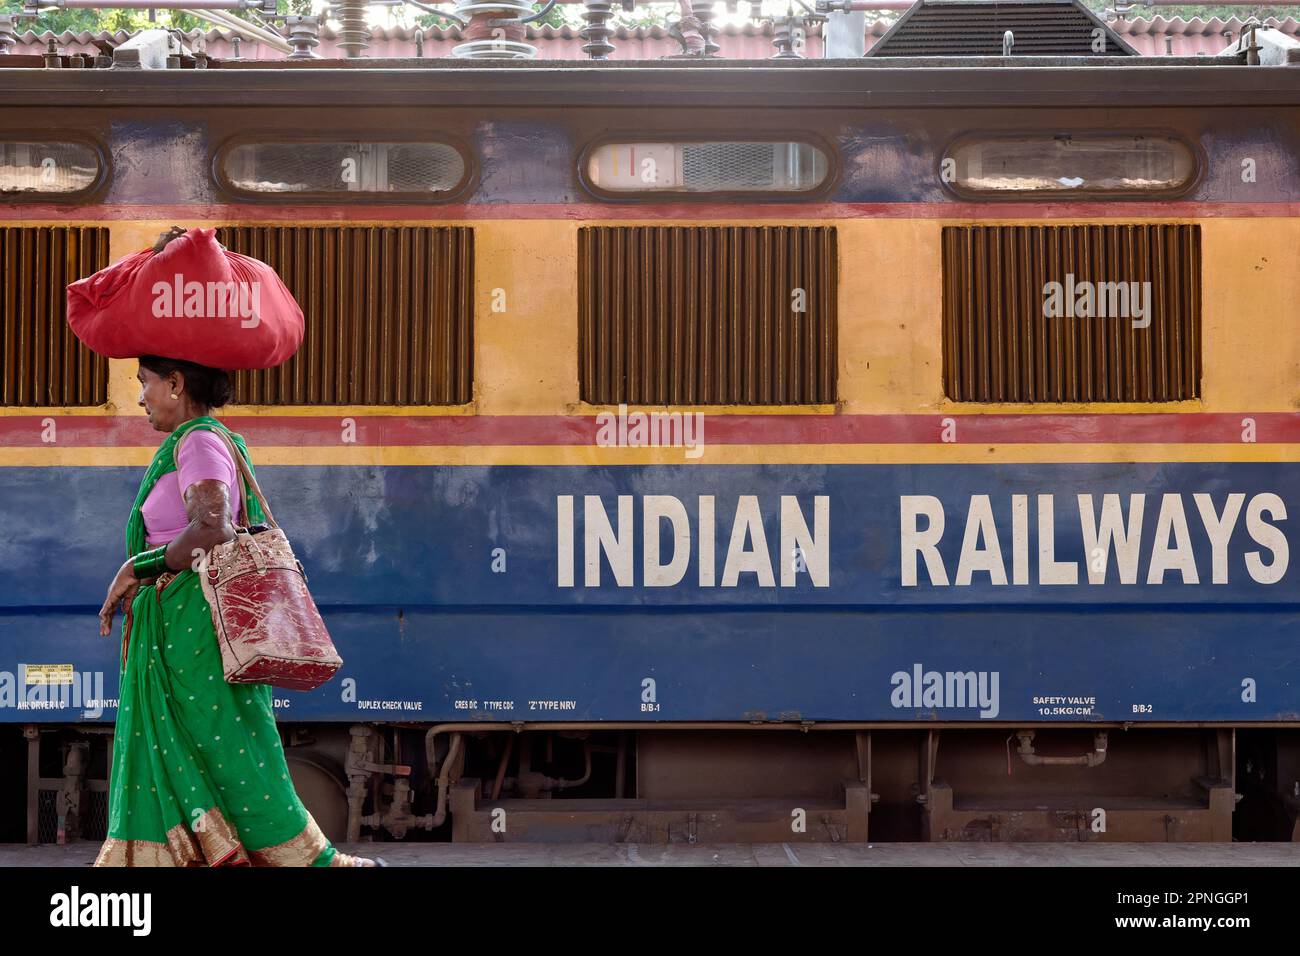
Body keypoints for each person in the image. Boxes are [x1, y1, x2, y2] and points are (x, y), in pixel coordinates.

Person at [92, 352, 380, 867]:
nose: (141, 398)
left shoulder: (200, 441)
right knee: (210, 753)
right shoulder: (191, 443)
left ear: (176, 384)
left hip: (194, 633)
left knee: (229, 754)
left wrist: (141, 563)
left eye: (145, 383)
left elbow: (213, 526)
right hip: (178, 630)